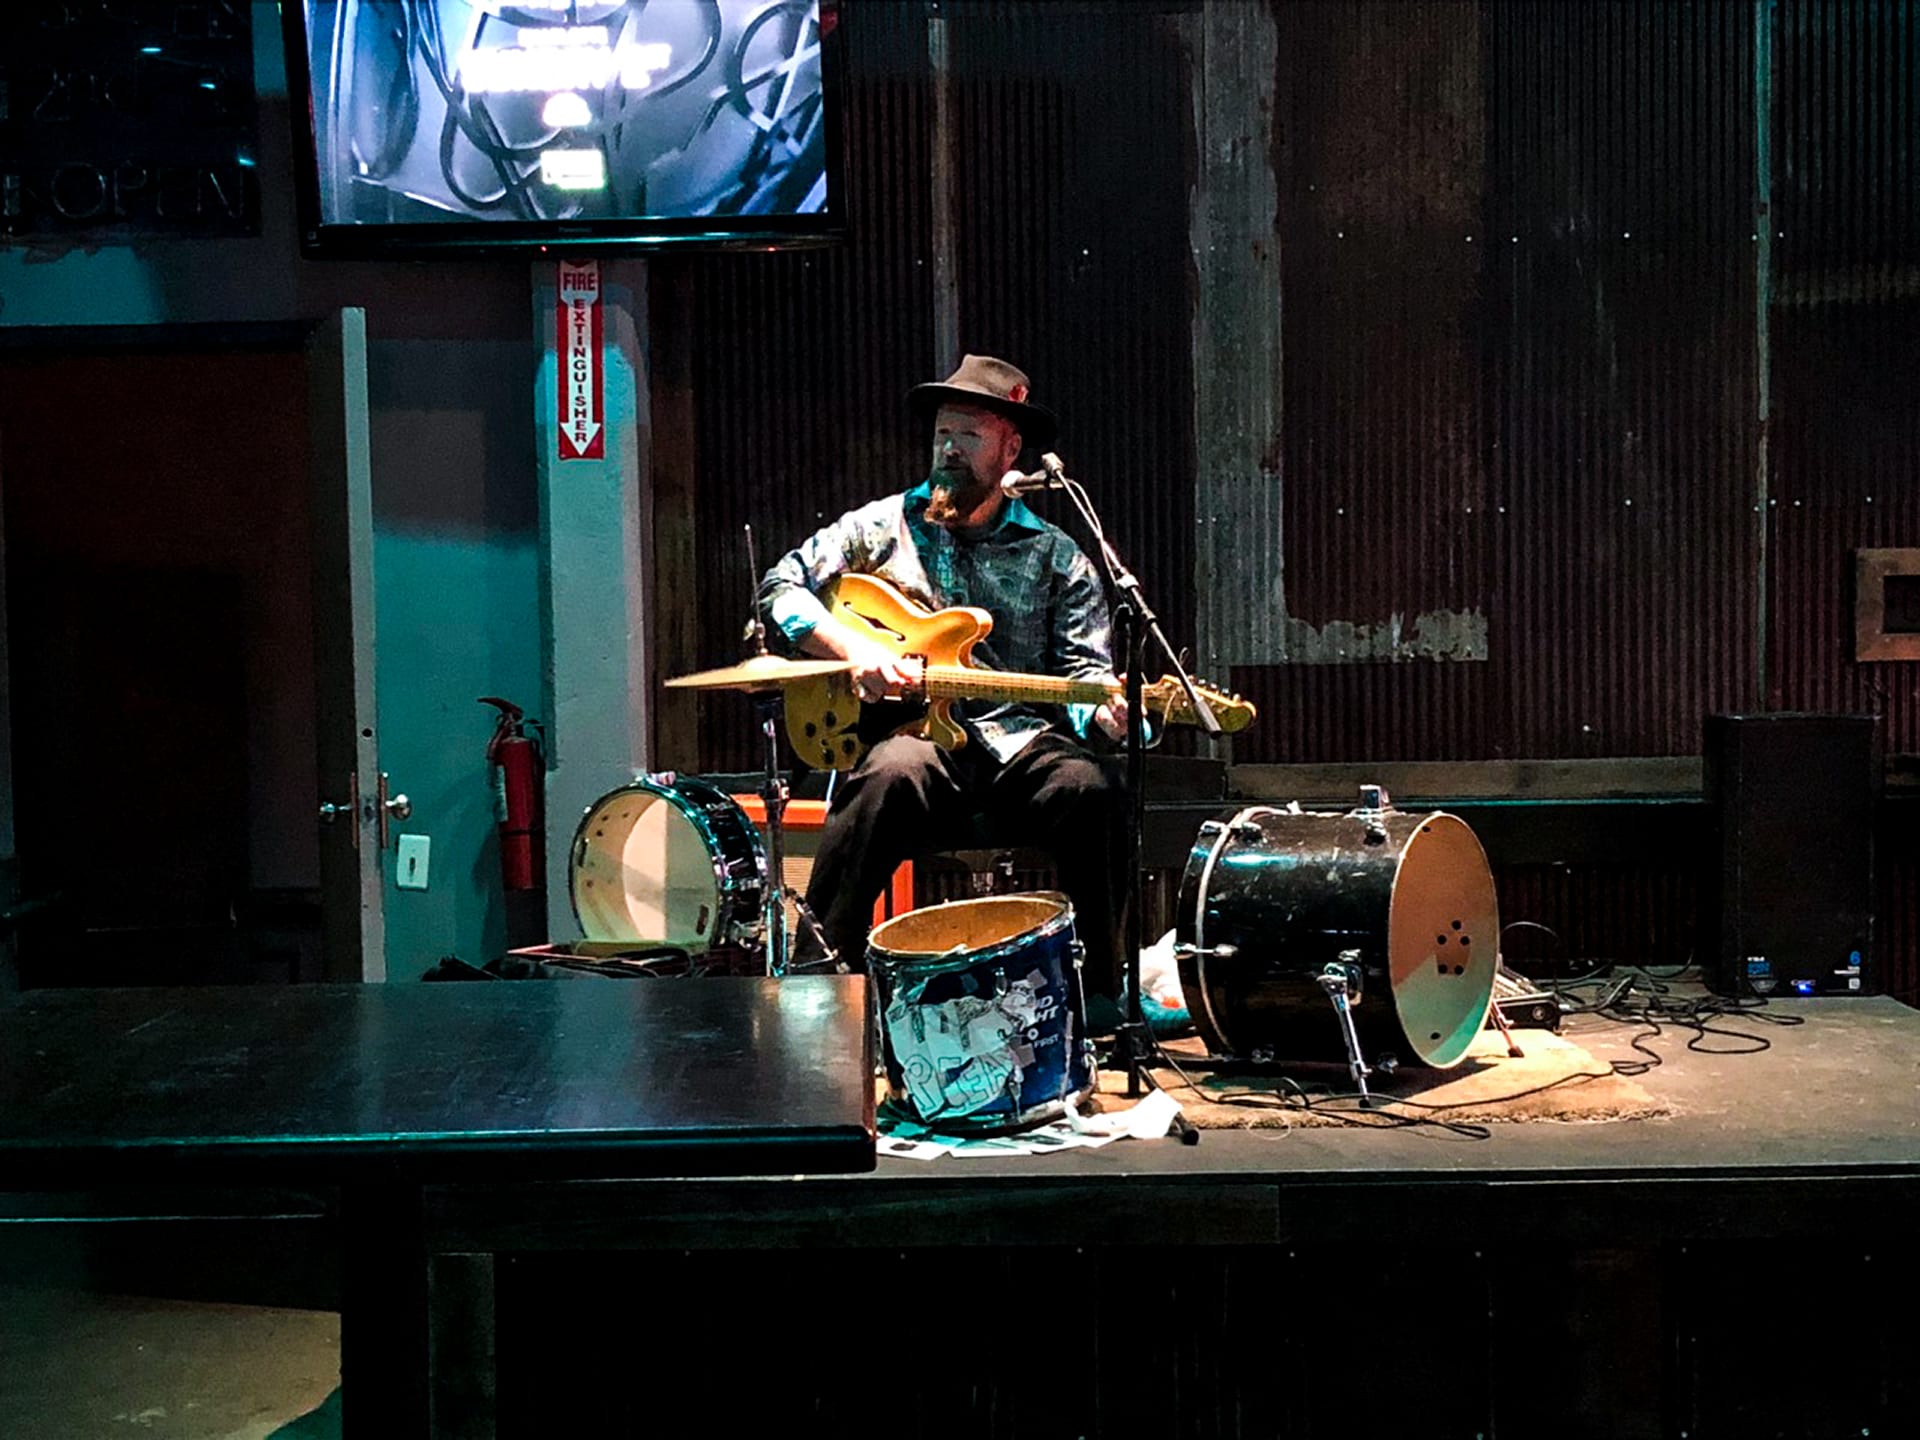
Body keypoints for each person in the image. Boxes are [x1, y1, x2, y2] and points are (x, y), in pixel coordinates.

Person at [757, 354, 1131, 1012]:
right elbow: (780, 587)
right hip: (918, 740)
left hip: (1018, 744)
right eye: (942, 434)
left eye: (969, 436)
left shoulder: (1057, 556)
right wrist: (853, 650)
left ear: (1010, 450)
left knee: (1091, 787)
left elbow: (1084, 675)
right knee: (887, 775)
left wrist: (1105, 714)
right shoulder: (878, 527)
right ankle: (819, 988)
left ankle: (1097, 994)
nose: (949, 449)